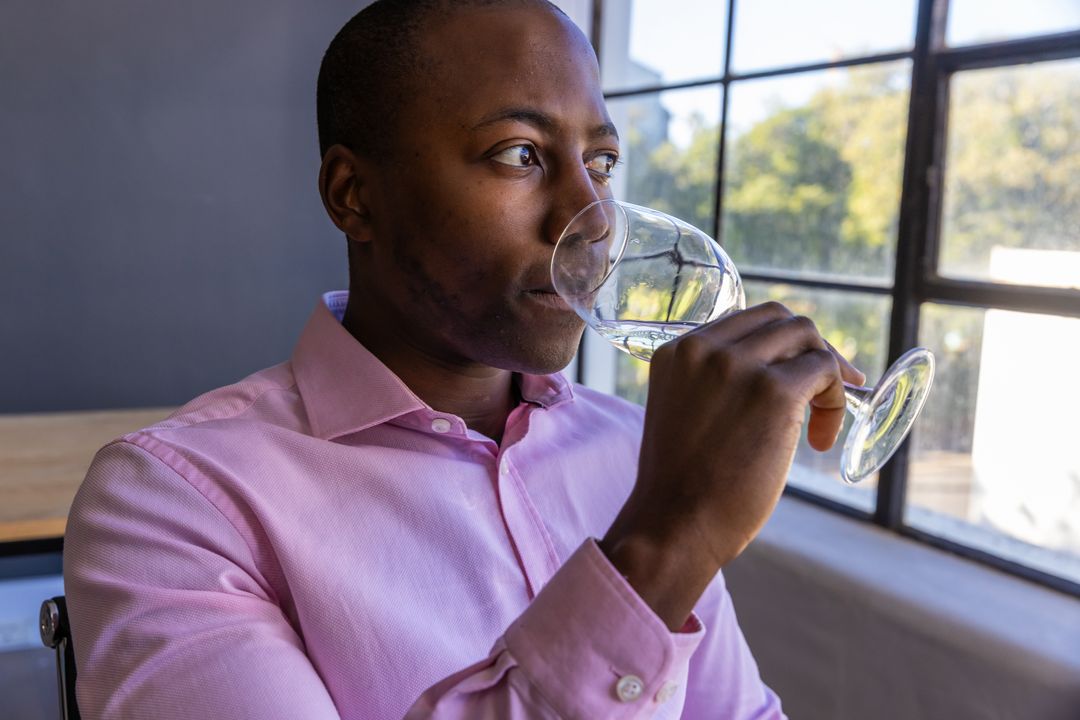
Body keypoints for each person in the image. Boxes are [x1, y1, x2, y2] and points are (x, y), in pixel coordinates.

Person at [64, 1, 864, 718]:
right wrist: (664, 546)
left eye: (604, 163)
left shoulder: (630, 448)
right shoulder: (174, 506)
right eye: (519, 153)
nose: (591, 219)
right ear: (354, 195)